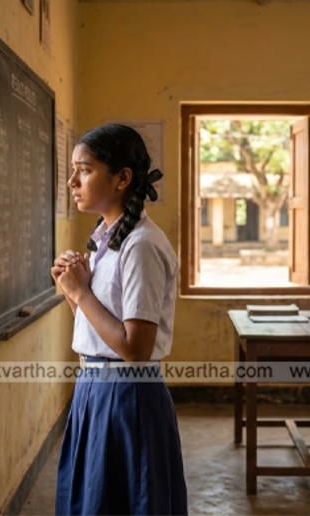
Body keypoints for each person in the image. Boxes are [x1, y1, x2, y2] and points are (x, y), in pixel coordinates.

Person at [51, 124, 188, 516]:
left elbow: (135, 349)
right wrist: (70, 288)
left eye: (85, 169)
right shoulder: (107, 238)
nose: (72, 180)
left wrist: (81, 292)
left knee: (124, 503)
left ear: (122, 178)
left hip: (125, 398)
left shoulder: (141, 245)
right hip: (95, 390)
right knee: (95, 500)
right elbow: (99, 330)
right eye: (74, 170)